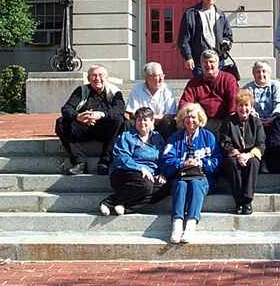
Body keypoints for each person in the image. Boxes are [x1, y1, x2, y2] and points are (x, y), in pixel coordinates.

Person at [160, 103, 222, 244]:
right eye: (187, 117)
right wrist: (183, 163)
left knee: (195, 184)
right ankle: (177, 224)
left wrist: (201, 163)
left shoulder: (209, 137)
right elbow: (165, 160)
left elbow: (218, 161)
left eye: (193, 117)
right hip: (180, 175)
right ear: (182, 120)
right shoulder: (174, 138)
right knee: (181, 185)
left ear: (200, 119)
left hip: (202, 177)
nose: (190, 120)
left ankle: (190, 224)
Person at [55, 64, 125, 176]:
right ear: (88, 78)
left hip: (105, 130)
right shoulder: (81, 90)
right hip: (84, 127)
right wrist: (78, 117)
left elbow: (120, 109)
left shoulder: (114, 91)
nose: (97, 78)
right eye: (94, 75)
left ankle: (105, 162)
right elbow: (66, 108)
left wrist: (101, 114)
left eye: (101, 75)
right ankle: (79, 162)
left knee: (119, 120)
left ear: (107, 78)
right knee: (61, 122)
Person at [99, 107, 169, 216]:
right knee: (146, 185)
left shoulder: (157, 138)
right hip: (125, 173)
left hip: (150, 175)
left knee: (167, 186)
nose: (142, 123)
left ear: (152, 122)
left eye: (145, 120)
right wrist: (140, 168)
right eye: (139, 120)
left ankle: (126, 206)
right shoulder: (126, 136)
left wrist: (162, 173)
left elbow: (164, 157)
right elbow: (121, 158)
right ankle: (109, 201)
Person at [220, 89, 266, 215]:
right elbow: (225, 143)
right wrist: (238, 155)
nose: (243, 108)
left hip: (250, 155)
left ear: (251, 107)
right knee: (232, 163)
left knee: (254, 163)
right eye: (240, 105)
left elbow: (261, 144)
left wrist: (249, 155)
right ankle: (239, 202)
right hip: (234, 155)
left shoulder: (256, 122)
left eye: (246, 105)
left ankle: (247, 201)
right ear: (236, 106)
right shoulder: (228, 122)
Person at [178, 49, 239, 135]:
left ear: (218, 64)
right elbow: (184, 103)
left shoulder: (228, 79)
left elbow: (234, 101)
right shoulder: (194, 83)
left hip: (223, 121)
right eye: (205, 62)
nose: (208, 65)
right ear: (201, 65)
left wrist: (231, 119)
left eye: (211, 62)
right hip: (200, 122)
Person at [178, 0, 233, 76]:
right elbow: (184, 38)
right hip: (200, 61)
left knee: (218, 88)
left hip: (218, 60)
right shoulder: (191, 13)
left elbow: (228, 35)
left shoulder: (221, 15)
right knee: (201, 88)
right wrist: (188, 57)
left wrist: (226, 42)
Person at [125, 62, 177, 139]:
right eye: (157, 76)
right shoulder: (137, 89)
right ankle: (131, 146)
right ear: (148, 77)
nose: (161, 79)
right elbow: (131, 113)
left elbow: (171, 115)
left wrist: (151, 118)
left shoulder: (167, 90)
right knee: (128, 123)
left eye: (162, 75)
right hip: (141, 123)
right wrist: (146, 121)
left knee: (169, 123)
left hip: (160, 123)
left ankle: (166, 148)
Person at [243, 60, 280, 128]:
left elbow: (279, 103)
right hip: (254, 123)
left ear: (269, 73)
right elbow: (248, 107)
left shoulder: (277, 85)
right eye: (258, 72)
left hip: (275, 121)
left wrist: (274, 117)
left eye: (264, 71)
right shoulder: (247, 88)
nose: (261, 74)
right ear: (253, 74)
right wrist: (257, 119)